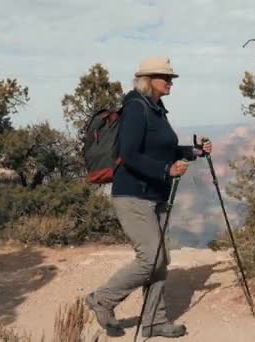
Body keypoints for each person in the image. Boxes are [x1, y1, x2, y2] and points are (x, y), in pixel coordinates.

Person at [85, 56, 212, 338]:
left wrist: (195, 151)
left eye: (171, 78)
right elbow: (128, 155)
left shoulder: (156, 110)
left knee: (160, 258)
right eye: (165, 78)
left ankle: (154, 321)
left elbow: (164, 149)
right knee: (149, 259)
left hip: (155, 195)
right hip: (133, 195)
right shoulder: (135, 108)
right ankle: (102, 298)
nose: (170, 83)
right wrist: (166, 169)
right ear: (147, 79)